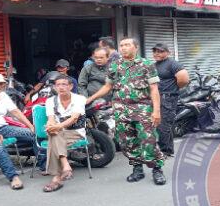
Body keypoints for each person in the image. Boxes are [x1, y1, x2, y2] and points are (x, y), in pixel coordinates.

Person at [87, 38, 166, 185]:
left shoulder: (147, 65)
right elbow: (107, 86)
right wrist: (90, 98)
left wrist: (156, 111)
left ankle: (157, 169)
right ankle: (137, 169)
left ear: (135, 47)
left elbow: (154, 89)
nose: (123, 48)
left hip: (143, 108)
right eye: (121, 45)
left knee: (148, 139)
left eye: (127, 45)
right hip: (121, 110)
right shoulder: (114, 65)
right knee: (127, 141)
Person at [42, 75, 87, 192]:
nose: (61, 87)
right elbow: (50, 118)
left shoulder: (79, 99)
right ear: (55, 87)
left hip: (75, 132)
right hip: (59, 132)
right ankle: (64, 167)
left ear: (71, 86)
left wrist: (56, 127)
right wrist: (51, 125)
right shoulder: (50, 101)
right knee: (55, 134)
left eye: (64, 84)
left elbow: (74, 119)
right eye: (58, 85)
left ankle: (56, 178)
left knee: (54, 136)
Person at [151, 43, 189, 157]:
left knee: (164, 125)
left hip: (168, 97)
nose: (157, 53)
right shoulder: (155, 65)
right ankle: (167, 148)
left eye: (160, 51)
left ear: (168, 52)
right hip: (157, 97)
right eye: (155, 51)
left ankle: (165, 151)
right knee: (160, 124)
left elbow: (184, 79)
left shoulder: (173, 64)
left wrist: (172, 89)